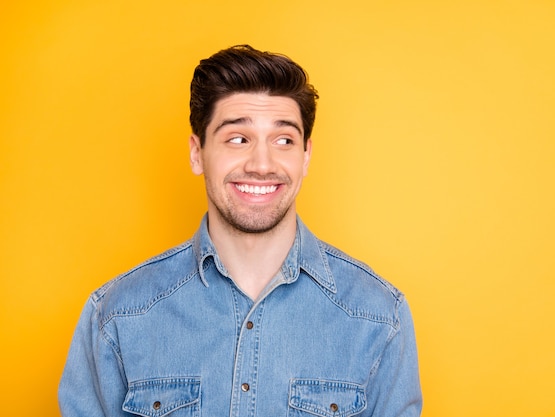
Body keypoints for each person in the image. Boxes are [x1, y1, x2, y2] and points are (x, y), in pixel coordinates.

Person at [58, 44, 422, 416]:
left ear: (306, 156)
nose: (262, 165)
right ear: (197, 153)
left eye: (284, 140)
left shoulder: (378, 316)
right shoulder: (118, 315)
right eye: (238, 139)